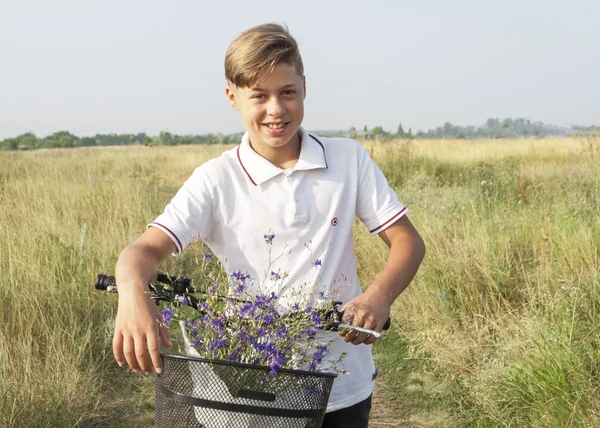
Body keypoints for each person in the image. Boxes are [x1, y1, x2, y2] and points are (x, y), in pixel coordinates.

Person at [112, 23, 425, 427]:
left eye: (287, 92)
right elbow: (143, 251)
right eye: (259, 95)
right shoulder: (215, 179)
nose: (275, 109)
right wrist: (132, 295)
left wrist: (378, 297)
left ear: (305, 88)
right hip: (243, 389)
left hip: (339, 387)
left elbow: (407, 242)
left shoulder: (349, 159)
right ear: (232, 97)